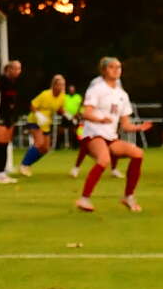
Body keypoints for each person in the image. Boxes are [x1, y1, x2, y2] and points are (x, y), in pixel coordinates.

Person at [74, 56, 147, 213]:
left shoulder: (122, 94)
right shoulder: (96, 89)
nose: (116, 70)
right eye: (112, 67)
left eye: (119, 67)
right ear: (104, 70)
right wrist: (100, 119)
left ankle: (128, 196)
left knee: (138, 154)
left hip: (110, 137)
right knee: (104, 159)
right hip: (93, 134)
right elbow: (85, 113)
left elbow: (125, 124)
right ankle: (84, 199)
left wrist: (139, 127)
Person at [0, 58, 28, 182]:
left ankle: (2, 172)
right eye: (16, 68)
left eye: (19, 68)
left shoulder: (14, 83)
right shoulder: (3, 81)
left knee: (5, 144)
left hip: (9, 117)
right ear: (9, 69)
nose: (18, 71)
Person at [20, 72, 68, 174]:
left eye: (63, 85)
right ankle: (24, 165)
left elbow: (59, 109)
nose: (62, 87)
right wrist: (38, 114)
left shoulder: (62, 96)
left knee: (45, 148)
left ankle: (28, 164)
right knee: (39, 143)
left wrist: (68, 115)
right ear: (54, 85)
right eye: (59, 84)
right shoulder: (45, 94)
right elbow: (32, 105)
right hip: (35, 120)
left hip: (46, 124)